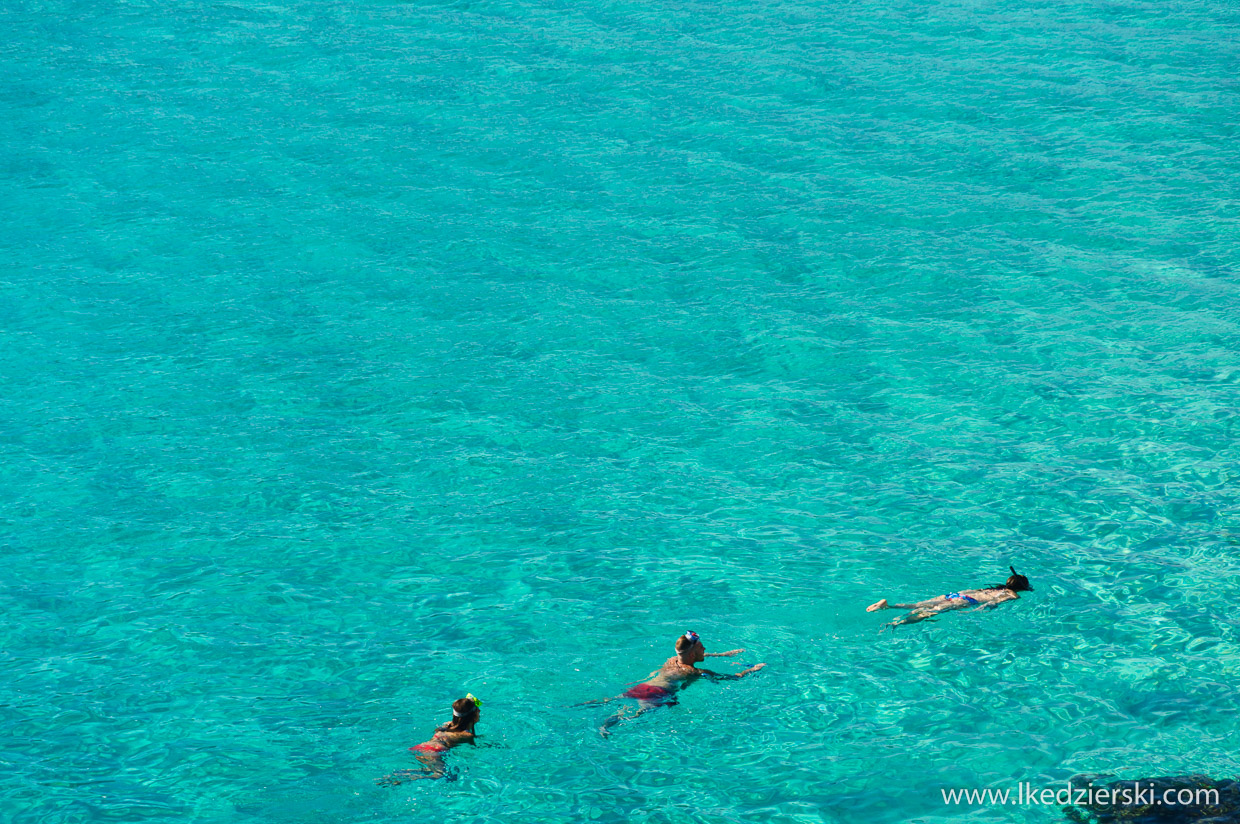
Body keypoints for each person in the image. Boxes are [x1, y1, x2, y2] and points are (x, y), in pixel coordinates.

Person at [584, 632, 765, 736]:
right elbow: (733, 678)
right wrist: (753, 669)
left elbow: (691, 656)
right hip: (658, 695)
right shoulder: (696, 672)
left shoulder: (672, 660)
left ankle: (583, 708)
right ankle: (605, 727)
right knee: (634, 715)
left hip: (643, 687)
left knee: (611, 700)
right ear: (693, 654)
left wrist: (724, 655)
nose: (705, 649)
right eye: (702, 647)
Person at [866, 566, 1032, 630]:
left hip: (956, 594)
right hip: (967, 601)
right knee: (930, 613)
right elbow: (991, 603)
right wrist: (975, 611)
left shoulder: (991, 588)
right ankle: (895, 623)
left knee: (919, 604)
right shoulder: (1011, 594)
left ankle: (889, 606)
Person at [376, 694, 481, 785]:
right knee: (441, 775)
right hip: (435, 752)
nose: (479, 712)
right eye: (478, 711)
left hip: (421, 747)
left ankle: (400, 773)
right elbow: (473, 750)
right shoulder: (467, 736)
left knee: (429, 770)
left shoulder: (447, 724)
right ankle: (402, 779)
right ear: (473, 715)